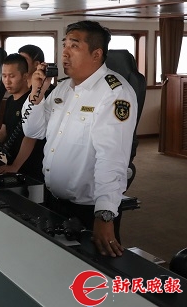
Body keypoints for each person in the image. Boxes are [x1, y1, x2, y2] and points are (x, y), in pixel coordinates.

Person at [22, 20, 137, 258]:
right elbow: (33, 131)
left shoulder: (115, 93)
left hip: (89, 210)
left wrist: (105, 215)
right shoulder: (62, 89)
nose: (64, 52)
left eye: (74, 46)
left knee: (91, 281)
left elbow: (112, 158)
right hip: (55, 202)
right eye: (64, 45)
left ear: (96, 54)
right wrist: (37, 93)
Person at [0, 54, 44, 182]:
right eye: (4, 76)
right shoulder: (9, 101)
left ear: (25, 76)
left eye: (12, 76)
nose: (7, 81)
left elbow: (31, 136)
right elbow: (4, 131)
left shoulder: (32, 101)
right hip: (10, 162)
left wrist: (15, 166)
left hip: (27, 167)